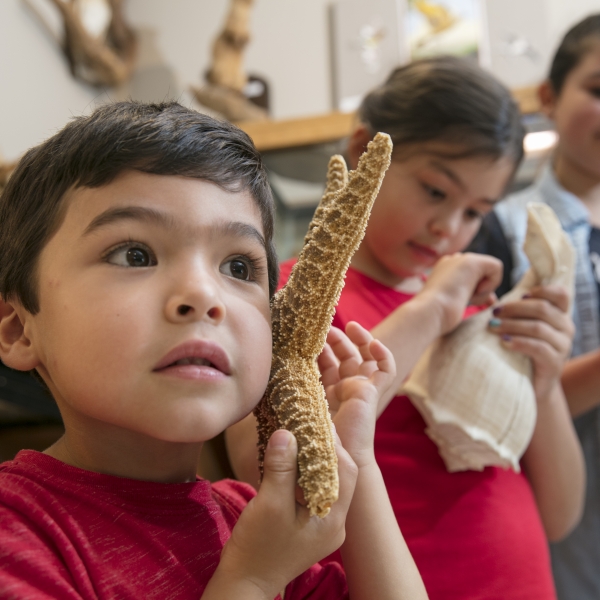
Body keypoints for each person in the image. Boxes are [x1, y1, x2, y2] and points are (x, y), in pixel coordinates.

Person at [0, 101, 432, 599]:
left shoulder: (254, 518)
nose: (204, 295)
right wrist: (250, 580)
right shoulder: (21, 529)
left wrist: (354, 457)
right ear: (18, 329)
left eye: (239, 268)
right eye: (135, 255)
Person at [226, 57, 585, 600]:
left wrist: (545, 380)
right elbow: (263, 469)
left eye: (475, 212)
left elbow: (560, 517)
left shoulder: (474, 318)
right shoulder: (292, 300)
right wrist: (432, 308)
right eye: (437, 192)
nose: (450, 227)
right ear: (364, 149)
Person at [466, 15, 600, 599]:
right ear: (548, 97)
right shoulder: (496, 226)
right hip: (555, 499)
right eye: (598, 90)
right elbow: (493, 399)